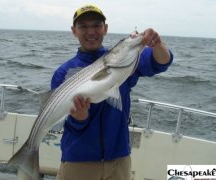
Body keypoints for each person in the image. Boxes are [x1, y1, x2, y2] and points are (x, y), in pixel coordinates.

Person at [51, 4, 173, 180]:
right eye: (83, 26)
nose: (91, 31)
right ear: (74, 31)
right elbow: (67, 123)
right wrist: (80, 118)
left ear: (105, 29)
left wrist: (157, 43)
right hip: (78, 162)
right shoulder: (63, 73)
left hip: (119, 160)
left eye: (96, 25)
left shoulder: (126, 62)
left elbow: (161, 62)